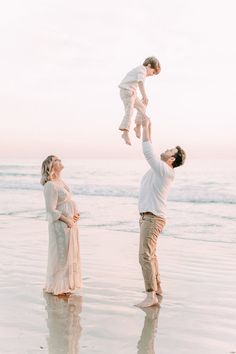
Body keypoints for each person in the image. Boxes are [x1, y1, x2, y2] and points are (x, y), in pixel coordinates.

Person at [137, 118, 186, 307]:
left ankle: (151, 296)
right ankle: (157, 289)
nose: (166, 149)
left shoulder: (165, 170)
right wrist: (147, 126)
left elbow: (147, 151)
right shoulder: (162, 169)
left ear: (171, 159)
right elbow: (151, 151)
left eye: (170, 150)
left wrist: (146, 128)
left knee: (144, 255)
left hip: (152, 218)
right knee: (151, 255)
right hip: (149, 217)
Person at [41, 155, 81, 296]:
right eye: (56, 160)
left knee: (69, 254)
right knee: (61, 255)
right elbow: (51, 210)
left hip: (70, 223)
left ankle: (66, 286)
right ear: (51, 166)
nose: (60, 161)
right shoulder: (50, 185)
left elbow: (67, 201)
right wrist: (67, 220)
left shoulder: (61, 182)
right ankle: (57, 286)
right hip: (60, 225)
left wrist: (75, 215)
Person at [118, 56, 161, 146]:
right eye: (153, 72)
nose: (152, 75)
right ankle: (125, 132)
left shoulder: (141, 70)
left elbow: (137, 83)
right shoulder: (142, 69)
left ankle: (137, 126)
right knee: (129, 111)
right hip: (126, 91)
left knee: (142, 107)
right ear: (149, 65)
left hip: (132, 92)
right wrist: (144, 96)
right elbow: (140, 83)